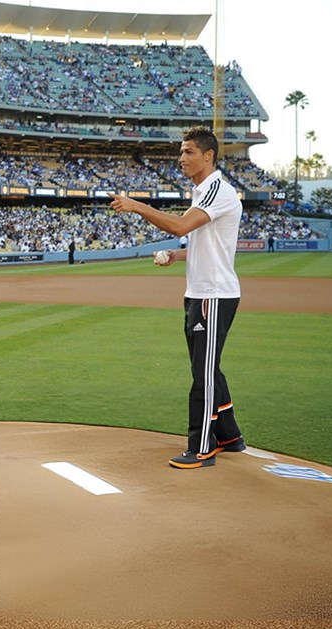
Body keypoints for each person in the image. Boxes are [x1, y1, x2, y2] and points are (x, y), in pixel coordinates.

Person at [108, 126, 246, 469]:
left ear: (208, 155)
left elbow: (180, 228)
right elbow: (204, 244)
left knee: (203, 374)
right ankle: (229, 436)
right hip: (199, 293)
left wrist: (137, 205)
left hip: (213, 296)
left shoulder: (218, 191)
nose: (181, 158)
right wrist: (177, 256)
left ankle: (202, 447)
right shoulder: (203, 192)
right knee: (207, 368)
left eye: (188, 152)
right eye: (181, 152)